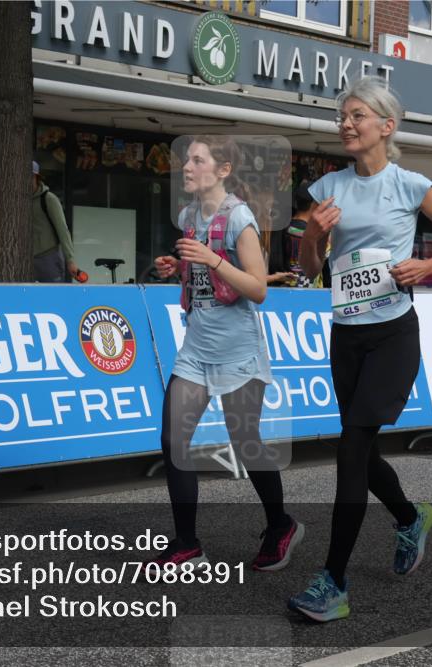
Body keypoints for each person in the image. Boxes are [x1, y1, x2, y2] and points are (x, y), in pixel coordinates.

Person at [289, 77, 432, 622]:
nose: (345, 124)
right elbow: (309, 270)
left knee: (351, 450)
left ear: (385, 127)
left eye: (356, 116)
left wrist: (428, 266)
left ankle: (333, 582)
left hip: (394, 333)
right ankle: (409, 517)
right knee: (363, 451)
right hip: (346, 333)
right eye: (341, 117)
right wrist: (310, 239)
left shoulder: (410, 184)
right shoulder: (328, 188)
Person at [151, 135, 302, 570]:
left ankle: (281, 525)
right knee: (173, 441)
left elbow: (257, 288)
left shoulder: (239, 218)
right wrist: (177, 265)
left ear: (222, 171)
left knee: (247, 443)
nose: (187, 166)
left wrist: (212, 260)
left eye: (197, 160)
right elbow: (199, 271)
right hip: (196, 350)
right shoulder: (189, 216)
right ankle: (187, 543)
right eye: (187, 159)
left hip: (239, 354)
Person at [31, 161, 80, 282]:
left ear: (36, 177)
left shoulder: (48, 199)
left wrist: (70, 260)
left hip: (48, 258)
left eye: (30, 176)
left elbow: (62, 230)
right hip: (25, 260)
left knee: (52, 299)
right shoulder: (19, 200)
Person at [267, 182, 314, 287]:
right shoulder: (303, 232)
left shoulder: (288, 226)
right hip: (301, 291)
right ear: (314, 204)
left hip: (287, 289)